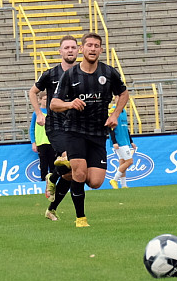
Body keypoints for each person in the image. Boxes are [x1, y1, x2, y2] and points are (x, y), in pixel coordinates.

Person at [50, 33, 129, 227]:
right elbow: (54, 104)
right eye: (89, 45)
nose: (93, 49)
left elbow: (124, 93)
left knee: (95, 182)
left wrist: (114, 115)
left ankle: (59, 172)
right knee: (79, 174)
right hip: (74, 131)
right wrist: (70, 104)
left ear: (101, 49)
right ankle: (81, 218)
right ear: (82, 49)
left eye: (96, 46)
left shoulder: (109, 73)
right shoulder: (70, 74)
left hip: (98, 133)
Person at [28, 35, 79, 221]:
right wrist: (39, 113)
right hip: (56, 125)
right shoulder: (50, 74)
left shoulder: (83, 73)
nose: (70, 50)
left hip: (76, 126)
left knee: (70, 173)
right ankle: (51, 177)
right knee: (68, 156)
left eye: (73, 47)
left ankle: (51, 209)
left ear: (78, 50)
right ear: (60, 51)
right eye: (66, 47)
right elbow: (33, 92)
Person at [108, 103, 135, 189]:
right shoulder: (113, 110)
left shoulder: (124, 112)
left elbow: (126, 128)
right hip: (120, 142)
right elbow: (110, 127)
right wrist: (114, 142)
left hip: (125, 141)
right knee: (129, 161)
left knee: (123, 162)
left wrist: (131, 141)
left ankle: (123, 185)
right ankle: (114, 180)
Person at [30, 92, 54, 181]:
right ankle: (43, 182)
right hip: (41, 142)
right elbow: (32, 128)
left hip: (52, 141)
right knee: (43, 164)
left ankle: (53, 181)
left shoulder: (52, 112)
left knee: (53, 164)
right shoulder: (36, 113)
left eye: (48, 99)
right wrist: (33, 142)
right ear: (39, 100)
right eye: (44, 99)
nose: (46, 101)